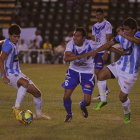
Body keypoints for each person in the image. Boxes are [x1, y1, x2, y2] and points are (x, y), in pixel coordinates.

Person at [89, 17, 140, 124]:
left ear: (134, 29)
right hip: (119, 65)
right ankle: (103, 100)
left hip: (130, 72)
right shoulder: (121, 37)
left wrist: (122, 34)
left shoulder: (138, 34)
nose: (125, 31)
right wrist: (96, 51)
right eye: (124, 29)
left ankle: (127, 112)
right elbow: (108, 44)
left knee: (122, 97)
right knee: (101, 75)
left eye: (128, 29)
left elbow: (137, 41)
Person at [0, 24, 51, 120]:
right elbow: (1, 59)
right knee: (25, 82)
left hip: (18, 73)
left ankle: (39, 115)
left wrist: (2, 41)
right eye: (14, 36)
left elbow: (4, 41)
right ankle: (16, 108)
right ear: (10, 35)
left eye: (18, 36)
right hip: (9, 74)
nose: (16, 38)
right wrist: (4, 76)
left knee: (37, 93)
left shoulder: (10, 41)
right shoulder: (8, 45)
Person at [62, 27, 100, 122]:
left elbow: (106, 45)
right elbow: (66, 58)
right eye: (74, 35)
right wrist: (80, 56)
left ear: (84, 38)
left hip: (87, 73)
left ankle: (82, 105)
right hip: (73, 71)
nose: (75, 37)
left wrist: (101, 52)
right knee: (66, 95)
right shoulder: (71, 44)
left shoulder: (91, 44)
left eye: (77, 36)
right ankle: (69, 114)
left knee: (87, 101)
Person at [92, 8, 112, 101]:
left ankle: (103, 92)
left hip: (102, 51)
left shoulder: (107, 25)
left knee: (97, 72)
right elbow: (93, 40)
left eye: (99, 14)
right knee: (98, 72)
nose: (98, 16)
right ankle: (105, 91)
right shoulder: (94, 26)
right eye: (96, 15)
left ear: (103, 15)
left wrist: (106, 52)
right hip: (96, 51)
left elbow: (108, 39)